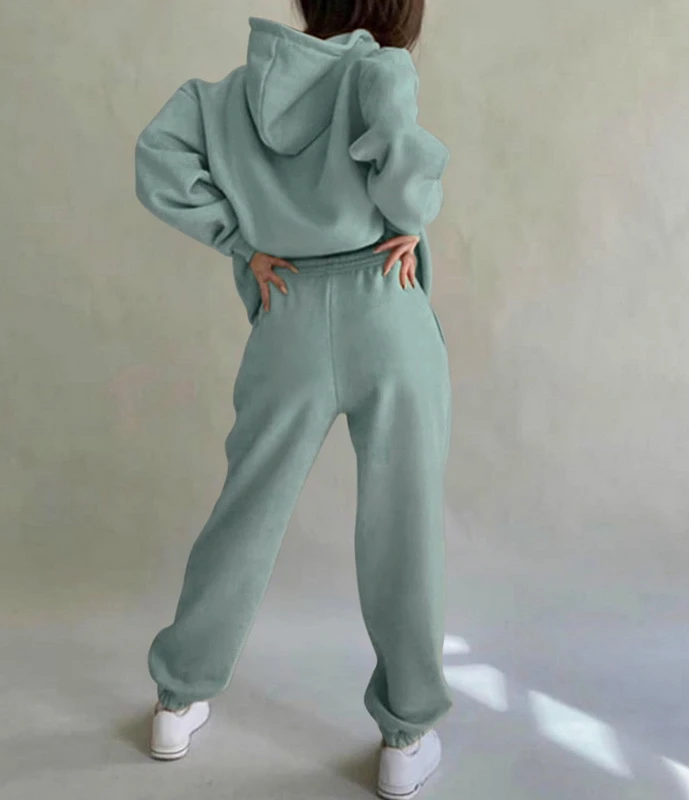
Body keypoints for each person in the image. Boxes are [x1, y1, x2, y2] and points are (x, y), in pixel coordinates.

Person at [134, 2, 452, 797]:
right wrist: (412, 217)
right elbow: (409, 193)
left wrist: (243, 242)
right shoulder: (380, 70)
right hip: (386, 302)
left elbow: (158, 155)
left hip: (288, 311)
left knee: (247, 508)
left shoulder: (230, 95)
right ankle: (405, 736)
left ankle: (178, 699)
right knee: (404, 520)